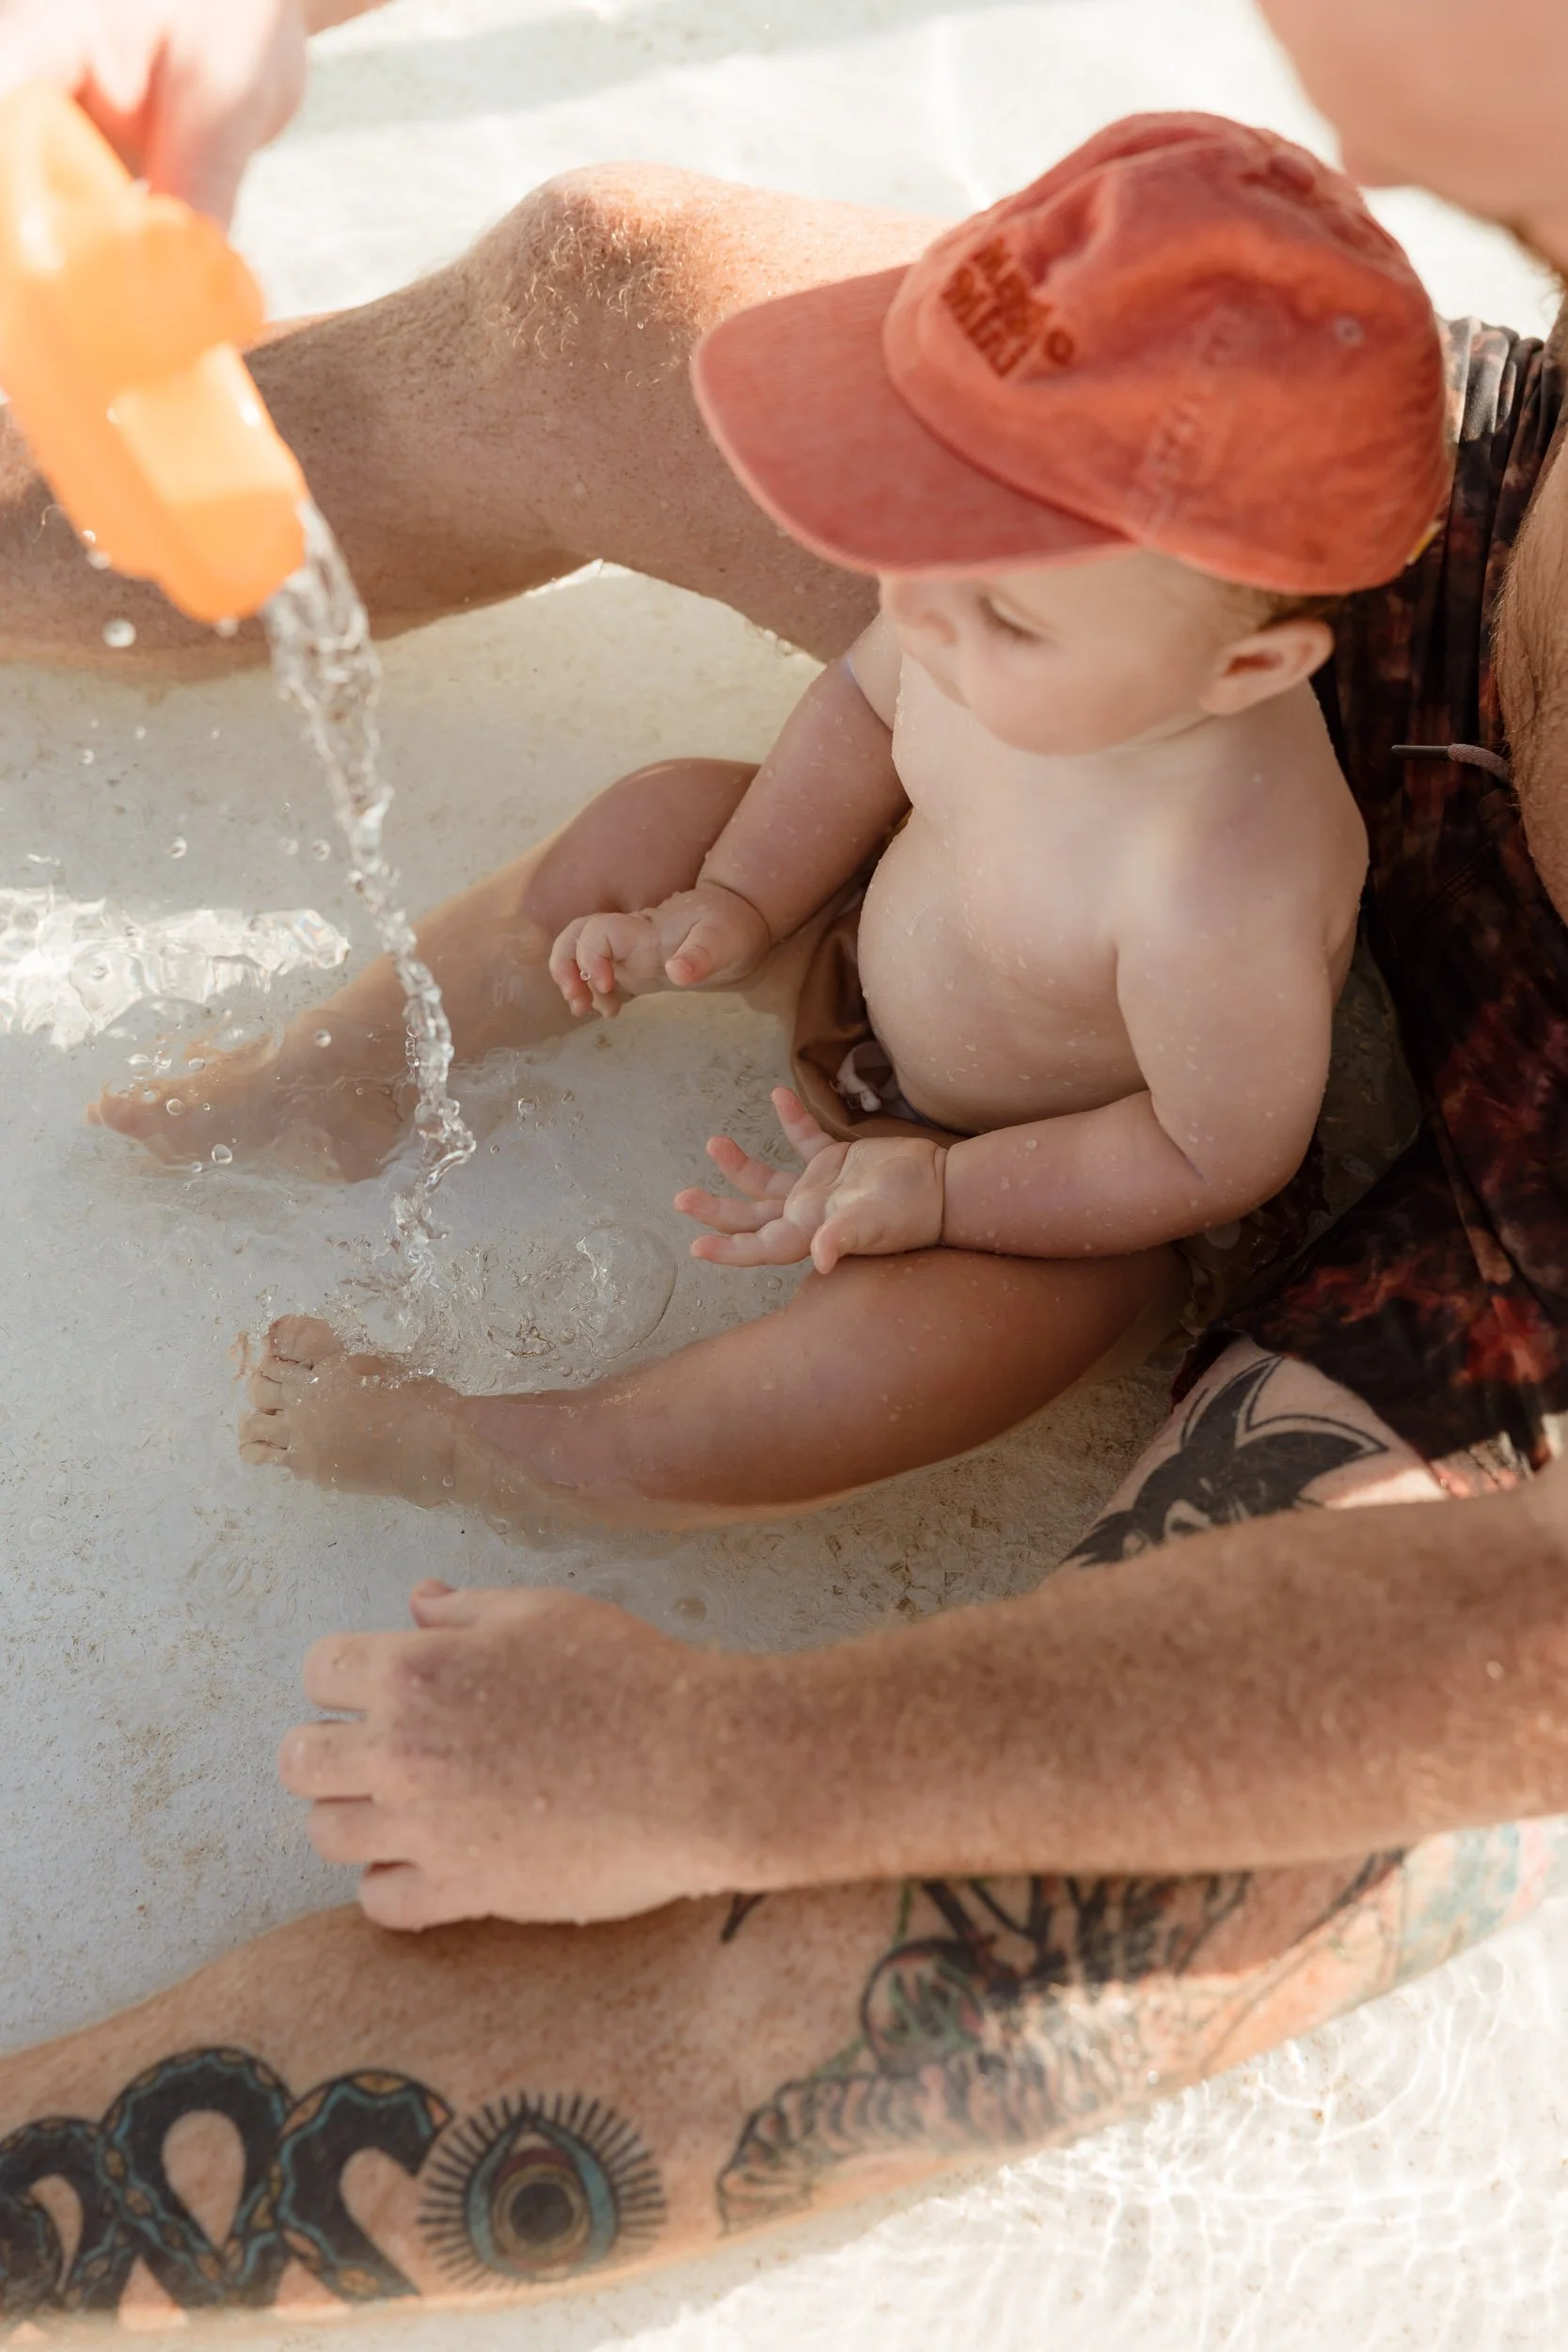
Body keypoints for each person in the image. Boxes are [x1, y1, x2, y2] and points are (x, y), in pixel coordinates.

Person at [4, 0, 1568, 2331]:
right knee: (602, 288)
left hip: (1354, 1172)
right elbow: (858, 695)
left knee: (940, 1984)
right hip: (1406, 538)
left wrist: (735, 1761)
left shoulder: (1221, 869)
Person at [108, 117, 1438, 1536]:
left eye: (1000, 616)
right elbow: (862, 718)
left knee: (913, 1363)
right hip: (862, 956)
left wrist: (936, 1192)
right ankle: (331, 1077)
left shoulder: (1214, 878)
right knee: (665, 811)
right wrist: (737, 902)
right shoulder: (972, 589)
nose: (915, 608)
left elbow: (1210, 1155)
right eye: (911, 529)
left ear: (1242, 671)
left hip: (1045, 1182)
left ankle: (527, 1452)